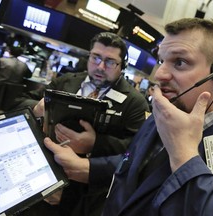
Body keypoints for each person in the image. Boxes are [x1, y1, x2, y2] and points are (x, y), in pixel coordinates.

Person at [44, 18, 213, 215]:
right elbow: (133, 164)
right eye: (161, 60)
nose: (160, 74)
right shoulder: (167, 112)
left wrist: (185, 158)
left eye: (179, 62)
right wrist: (87, 168)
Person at [12, 32, 149, 216]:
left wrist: (95, 143)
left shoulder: (134, 102)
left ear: (122, 66)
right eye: (96, 58)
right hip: (41, 172)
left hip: (85, 192)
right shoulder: (66, 81)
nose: (100, 66)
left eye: (110, 61)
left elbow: (135, 150)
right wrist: (36, 109)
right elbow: (19, 103)